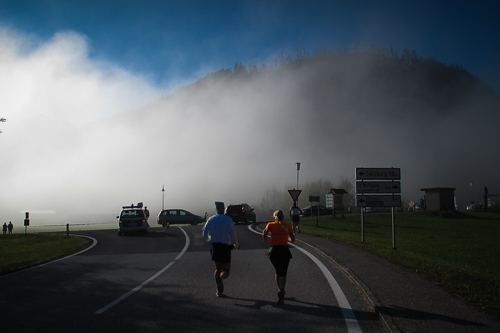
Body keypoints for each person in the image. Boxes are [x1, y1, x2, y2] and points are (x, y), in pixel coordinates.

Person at [202, 201, 240, 297]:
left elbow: (205, 233)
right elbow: (232, 232)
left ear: (216, 210)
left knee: (217, 269)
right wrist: (236, 243)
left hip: (215, 246)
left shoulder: (211, 219)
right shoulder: (228, 219)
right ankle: (221, 279)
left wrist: (209, 239)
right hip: (225, 247)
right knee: (226, 270)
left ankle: (219, 291)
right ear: (224, 210)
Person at [262, 210, 295, 307]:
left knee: (277, 271)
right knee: (283, 272)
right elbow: (292, 239)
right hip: (284, 250)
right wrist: (287, 239)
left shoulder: (270, 224)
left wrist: (265, 239)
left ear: (274, 218)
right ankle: (282, 290)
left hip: (273, 251)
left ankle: (279, 289)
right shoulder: (287, 226)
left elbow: (264, 232)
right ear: (283, 217)